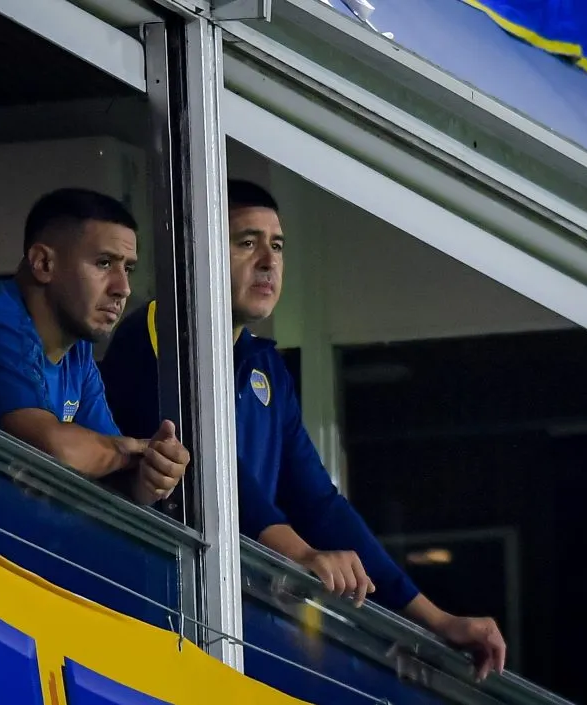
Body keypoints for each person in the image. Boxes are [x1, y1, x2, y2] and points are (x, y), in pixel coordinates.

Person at [100, 180, 507, 680]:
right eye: (246, 243)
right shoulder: (157, 332)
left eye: (278, 245)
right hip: (155, 617)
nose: (269, 262)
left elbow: (317, 501)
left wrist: (435, 619)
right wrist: (302, 554)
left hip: (229, 626)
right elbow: (210, 471)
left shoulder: (262, 365)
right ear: (196, 250)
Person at [0, 188, 189, 506]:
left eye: (127, 268)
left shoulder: (76, 351)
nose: (123, 288)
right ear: (43, 263)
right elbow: (55, 451)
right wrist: (131, 450)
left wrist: (149, 476)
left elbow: (107, 468)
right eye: (104, 263)